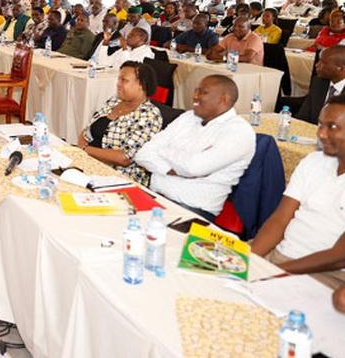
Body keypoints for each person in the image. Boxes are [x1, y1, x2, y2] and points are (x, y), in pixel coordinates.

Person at [251, 94, 345, 290]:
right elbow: (280, 219)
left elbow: (338, 256)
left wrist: (275, 273)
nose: (321, 134)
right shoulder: (314, 161)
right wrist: (251, 260)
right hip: (281, 254)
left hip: (326, 273)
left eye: (332, 127)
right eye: (320, 125)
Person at [134, 75, 255, 220]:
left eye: (203, 92)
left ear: (224, 99)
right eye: (196, 91)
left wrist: (163, 152)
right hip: (154, 197)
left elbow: (194, 168)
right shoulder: (188, 117)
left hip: (192, 210)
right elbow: (142, 154)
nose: (194, 96)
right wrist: (171, 169)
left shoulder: (239, 132)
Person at [78, 62, 162, 186]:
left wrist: (84, 150)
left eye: (124, 80)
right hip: (90, 163)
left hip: (119, 177)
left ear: (141, 85)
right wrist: (82, 150)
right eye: (118, 79)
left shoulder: (149, 115)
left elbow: (124, 158)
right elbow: (87, 131)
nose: (118, 84)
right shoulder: (114, 101)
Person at [297, 46, 345, 124]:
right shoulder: (318, 82)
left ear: (340, 68)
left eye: (323, 63)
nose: (317, 65)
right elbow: (303, 117)